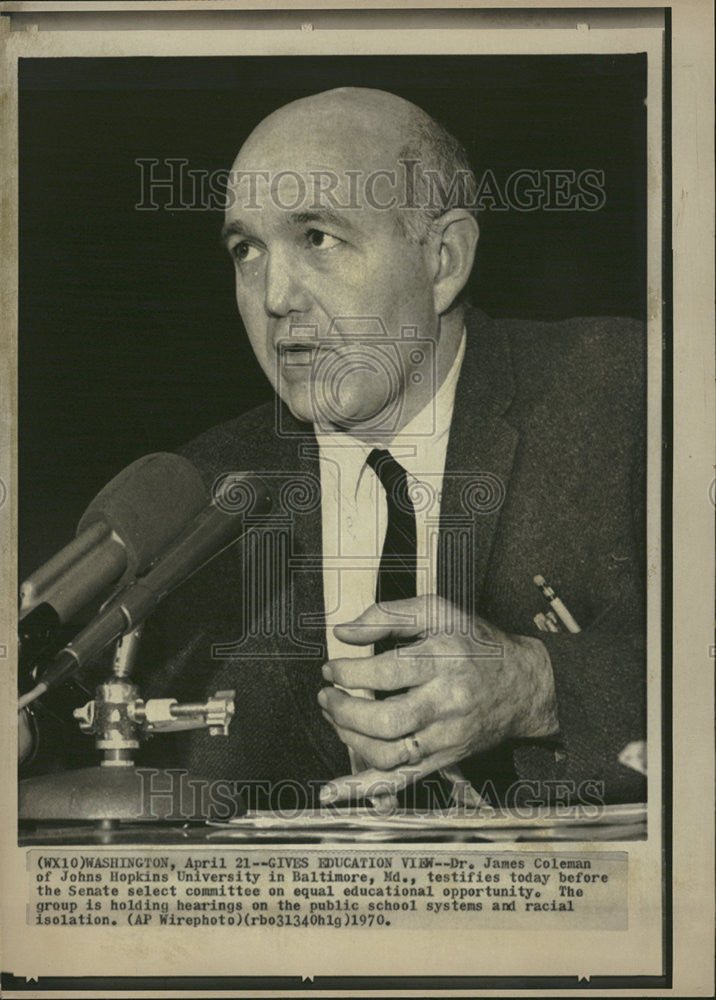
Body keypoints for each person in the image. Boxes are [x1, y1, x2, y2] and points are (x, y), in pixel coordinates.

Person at [25, 88, 648, 811]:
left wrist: (540, 688)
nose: (274, 295)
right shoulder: (201, 499)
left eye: (317, 237)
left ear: (443, 259)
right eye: (246, 250)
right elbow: (94, 731)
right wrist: (30, 736)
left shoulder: (627, 394)